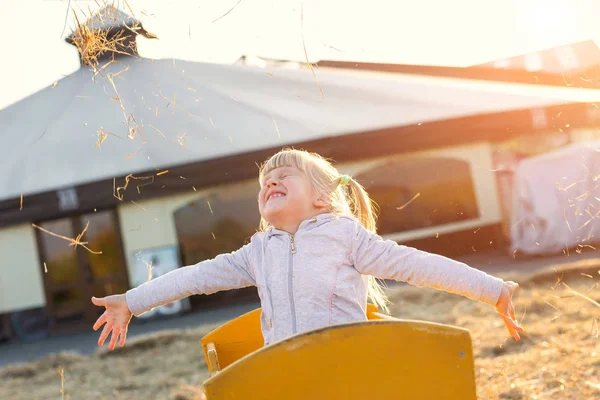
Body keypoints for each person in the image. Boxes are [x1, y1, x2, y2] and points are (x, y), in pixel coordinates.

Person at [92, 149, 523, 351]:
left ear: (320, 197)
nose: (271, 182)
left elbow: (420, 266)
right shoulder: (257, 252)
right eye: (265, 182)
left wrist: (493, 289)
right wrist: (131, 301)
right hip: (283, 368)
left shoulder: (347, 237)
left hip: (347, 363)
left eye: (284, 176)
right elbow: (194, 277)